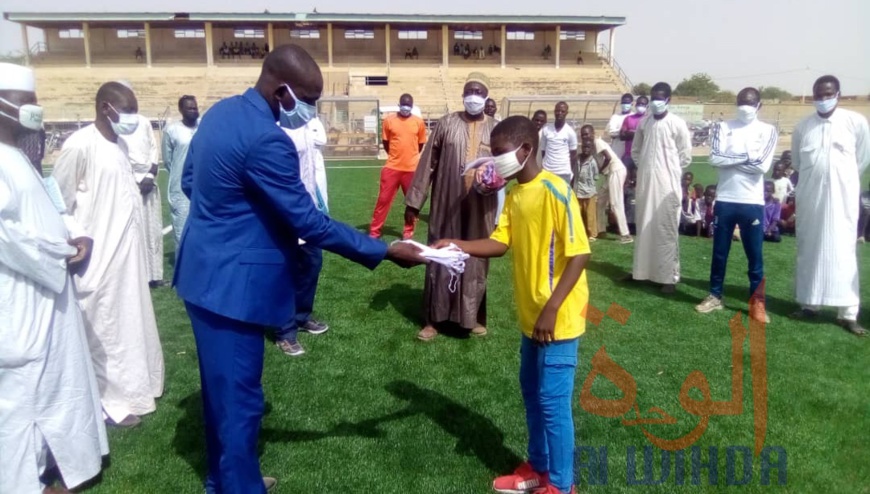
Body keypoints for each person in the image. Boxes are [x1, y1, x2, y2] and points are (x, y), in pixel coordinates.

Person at [174, 45, 424, 493]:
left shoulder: (219, 113)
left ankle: (226, 478)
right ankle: (241, 487)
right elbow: (308, 221)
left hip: (200, 273)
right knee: (240, 403)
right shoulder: (267, 139)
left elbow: (191, 181)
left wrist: (232, 218)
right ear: (283, 90)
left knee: (219, 396)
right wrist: (383, 250)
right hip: (233, 288)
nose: (310, 110)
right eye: (308, 99)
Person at [435, 116, 589, 494]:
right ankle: (537, 466)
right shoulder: (516, 193)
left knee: (553, 404)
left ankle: (563, 485)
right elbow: (500, 243)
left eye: (501, 153)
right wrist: (458, 244)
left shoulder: (556, 190)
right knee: (532, 394)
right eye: (493, 153)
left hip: (559, 317)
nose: (495, 160)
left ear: (525, 150)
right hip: (530, 315)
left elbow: (580, 253)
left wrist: (552, 308)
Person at [0, 62, 109, 494]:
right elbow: (7, 236)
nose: (34, 109)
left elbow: (40, 215)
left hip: (48, 291)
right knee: (21, 394)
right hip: (21, 296)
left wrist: (71, 238)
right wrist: (60, 254)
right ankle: (21, 481)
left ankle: (56, 463)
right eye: (24, 102)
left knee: (54, 383)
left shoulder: (16, 157)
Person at [51, 82, 165, 428]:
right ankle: (109, 403)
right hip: (97, 261)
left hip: (127, 258)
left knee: (132, 323)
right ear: (105, 108)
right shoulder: (79, 145)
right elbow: (58, 203)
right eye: (126, 110)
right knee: (106, 329)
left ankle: (139, 388)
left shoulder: (120, 145)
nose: (132, 117)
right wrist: (76, 239)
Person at [405, 72, 498, 341]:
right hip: (447, 202)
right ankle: (433, 320)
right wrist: (414, 201)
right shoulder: (446, 124)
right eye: (469, 91)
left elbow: (505, 164)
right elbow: (427, 164)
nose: (474, 96)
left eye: (479, 92)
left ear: (486, 96)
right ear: (462, 95)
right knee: (440, 255)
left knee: (476, 260)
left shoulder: (495, 128)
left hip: (482, 205)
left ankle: (470, 318)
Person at [790, 75, 870, 336]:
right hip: (811, 197)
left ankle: (847, 314)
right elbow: (799, 164)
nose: (823, 99)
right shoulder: (803, 127)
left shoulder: (855, 122)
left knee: (844, 252)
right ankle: (809, 305)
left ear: (837, 93)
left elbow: (862, 159)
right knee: (809, 249)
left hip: (842, 199)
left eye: (828, 94)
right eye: (819, 95)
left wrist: (838, 178)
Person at [695, 87, 777, 320]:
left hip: (751, 202)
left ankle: (757, 303)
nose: (745, 107)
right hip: (725, 199)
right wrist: (746, 158)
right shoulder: (723, 127)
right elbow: (713, 158)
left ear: (759, 105)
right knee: (719, 253)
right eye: (741, 102)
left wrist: (728, 161)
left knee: (755, 255)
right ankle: (714, 295)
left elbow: (762, 166)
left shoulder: (768, 130)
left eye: (750, 103)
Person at [273, 115, 330, 356]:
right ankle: (284, 331)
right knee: (285, 271)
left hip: (309, 210)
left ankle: (301, 316)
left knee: (312, 262)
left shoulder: (310, 125)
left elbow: (320, 147)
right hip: (283, 210)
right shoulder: (273, 127)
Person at [627, 82, 692, 293]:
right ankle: (642, 272)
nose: (655, 102)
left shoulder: (677, 124)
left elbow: (685, 155)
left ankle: (668, 278)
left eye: (659, 98)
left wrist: (667, 171)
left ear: (668, 100)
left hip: (667, 185)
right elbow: (636, 151)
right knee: (644, 226)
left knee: (666, 228)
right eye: (653, 97)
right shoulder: (644, 123)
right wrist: (647, 168)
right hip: (646, 183)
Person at [118, 86, 164, 288]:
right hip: (128, 184)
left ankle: (155, 275)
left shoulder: (144, 122)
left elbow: (154, 150)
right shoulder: (115, 126)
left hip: (148, 182)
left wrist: (149, 175)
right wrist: (132, 179)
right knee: (132, 232)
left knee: (152, 232)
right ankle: (137, 277)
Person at [369, 94, 427, 240]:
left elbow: (420, 145)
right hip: (392, 168)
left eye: (408, 105)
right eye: (403, 104)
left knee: (412, 203)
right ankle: (375, 231)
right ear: (399, 104)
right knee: (383, 200)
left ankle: (408, 232)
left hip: (412, 169)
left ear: (412, 106)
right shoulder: (389, 120)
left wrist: (410, 158)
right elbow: (386, 142)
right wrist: (396, 157)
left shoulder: (418, 122)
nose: (405, 107)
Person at [579, 124, 632, 243]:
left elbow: (608, 158)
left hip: (616, 170)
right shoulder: (591, 145)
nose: (585, 137)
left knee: (615, 203)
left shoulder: (597, 142)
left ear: (593, 133)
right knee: (600, 200)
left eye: (587, 134)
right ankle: (600, 230)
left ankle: (626, 234)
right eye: (583, 135)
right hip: (610, 174)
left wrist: (599, 170)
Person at [161, 95, 199, 249]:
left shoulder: (204, 126)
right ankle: (183, 269)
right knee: (182, 231)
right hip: (180, 189)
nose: (193, 111)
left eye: (195, 107)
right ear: (180, 110)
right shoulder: (171, 130)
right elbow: (168, 160)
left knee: (203, 230)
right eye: (189, 108)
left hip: (203, 186)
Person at [540, 101, 578, 184]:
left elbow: (573, 155)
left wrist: (569, 170)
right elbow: (543, 150)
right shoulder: (546, 130)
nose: (559, 113)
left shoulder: (570, 132)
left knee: (562, 196)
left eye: (562, 111)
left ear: (566, 113)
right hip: (547, 171)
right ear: (554, 112)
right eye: (557, 111)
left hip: (563, 172)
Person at [572, 140, 598, 241]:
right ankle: (580, 231)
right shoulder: (577, 159)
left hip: (589, 191)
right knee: (578, 212)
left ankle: (592, 234)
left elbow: (595, 176)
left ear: (591, 149)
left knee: (590, 214)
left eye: (588, 148)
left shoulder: (592, 162)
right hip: (578, 191)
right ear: (581, 148)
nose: (586, 150)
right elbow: (574, 173)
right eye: (584, 148)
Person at [619, 95, 648, 168]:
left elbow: (647, 136)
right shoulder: (628, 118)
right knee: (626, 177)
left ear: (647, 106)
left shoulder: (648, 120)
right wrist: (638, 134)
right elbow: (622, 136)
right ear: (635, 104)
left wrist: (630, 133)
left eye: (643, 104)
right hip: (628, 155)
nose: (640, 106)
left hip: (643, 156)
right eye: (638, 104)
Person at [606, 93, 633, 161]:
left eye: (627, 103)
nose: (625, 105)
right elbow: (611, 132)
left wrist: (627, 134)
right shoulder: (615, 117)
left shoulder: (634, 116)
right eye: (623, 102)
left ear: (632, 104)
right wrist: (622, 133)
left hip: (630, 150)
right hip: (617, 149)